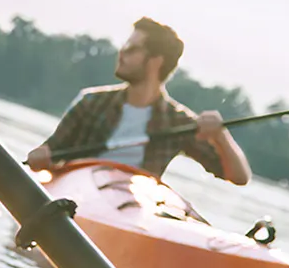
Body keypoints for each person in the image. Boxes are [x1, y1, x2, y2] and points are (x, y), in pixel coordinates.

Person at [26, 18, 253, 185]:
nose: (121, 53)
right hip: (78, 191)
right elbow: (51, 150)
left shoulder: (177, 122)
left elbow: (239, 177)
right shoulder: (91, 102)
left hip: (132, 206)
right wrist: (40, 157)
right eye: (124, 46)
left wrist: (220, 136)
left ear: (155, 61)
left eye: (132, 49)